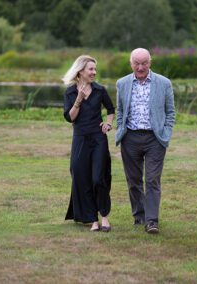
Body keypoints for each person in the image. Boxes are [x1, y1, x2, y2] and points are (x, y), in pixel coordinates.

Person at [115, 48, 175, 234]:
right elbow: (120, 111)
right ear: (131, 63)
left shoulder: (164, 83)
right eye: (137, 63)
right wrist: (120, 130)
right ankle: (139, 216)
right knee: (133, 180)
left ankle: (151, 221)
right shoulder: (122, 83)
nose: (140, 67)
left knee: (152, 180)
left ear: (150, 62)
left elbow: (171, 112)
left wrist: (165, 134)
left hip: (154, 138)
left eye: (144, 63)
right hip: (130, 137)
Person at [62, 55, 115, 232]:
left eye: (94, 69)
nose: (94, 72)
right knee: (81, 177)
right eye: (91, 69)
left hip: (98, 139)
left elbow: (111, 109)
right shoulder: (70, 92)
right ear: (80, 71)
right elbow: (70, 118)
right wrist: (78, 99)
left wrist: (108, 123)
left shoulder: (100, 90)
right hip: (80, 139)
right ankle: (92, 219)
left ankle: (105, 216)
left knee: (98, 177)